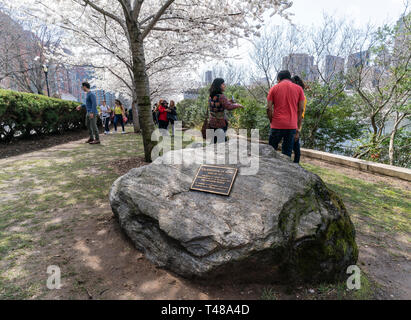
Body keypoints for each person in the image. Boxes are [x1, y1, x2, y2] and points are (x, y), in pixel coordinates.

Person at [266, 70, 305, 157]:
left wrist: (272, 121)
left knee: (271, 151)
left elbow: (268, 108)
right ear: (289, 78)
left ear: (279, 79)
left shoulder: (274, 88)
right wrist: (297, 128)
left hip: (276, 125)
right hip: (291, 126)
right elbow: (301, 109)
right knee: (287, 153)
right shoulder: (299, 89)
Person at [208, 78, 243, 143]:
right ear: (219, 85)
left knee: (214, 141)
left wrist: (229, 101)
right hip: (220, 123)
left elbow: (218, 104)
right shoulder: (221, 96)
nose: (225, 86)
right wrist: (238, 105)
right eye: (223, 84)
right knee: (221, 142)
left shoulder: (211, 95)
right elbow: (228, 107)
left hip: (212, 122)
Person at [291, 76, 307, 164]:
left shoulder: (301, 98)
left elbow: (300, 114)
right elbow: (300, 115)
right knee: (295, 151)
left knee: (294, 150)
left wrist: (297, 130)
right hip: (293, 126)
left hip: (293, 126)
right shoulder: (301, 97)